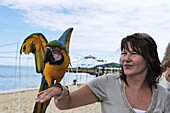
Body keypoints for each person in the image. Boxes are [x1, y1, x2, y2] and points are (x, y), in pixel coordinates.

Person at [35, 33, 170, 113]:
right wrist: (61, 91)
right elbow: (66, 103)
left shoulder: (163, 96)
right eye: (124, 53)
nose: (126, 58)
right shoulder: (107, 83)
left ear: (149, 59)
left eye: (134, 53)